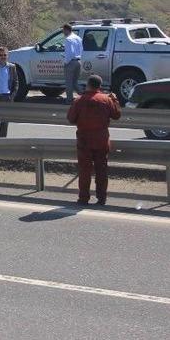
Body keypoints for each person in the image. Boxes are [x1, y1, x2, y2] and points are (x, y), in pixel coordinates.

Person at [67, 75, 121, 206]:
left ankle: (83, 198)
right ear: (100, 86)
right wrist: (115, 100)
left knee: (84, 170)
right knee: (101, 170)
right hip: (101, 140)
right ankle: (101, 198)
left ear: (88, 85)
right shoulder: (106, 100)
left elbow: (70, 118)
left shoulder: (79, 100)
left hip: (84, 140)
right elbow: (117, 115)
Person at [63, 23, 83, 104]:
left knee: (69, 82)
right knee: (75, 82)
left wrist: (66, 62)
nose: (63, 32)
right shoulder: (78, 38)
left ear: (66, 30)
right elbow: (81, 50)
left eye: (63, 30)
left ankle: (69, 100)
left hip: (71, 62)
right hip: (78, 61)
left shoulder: (68, 39)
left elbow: (70, 53)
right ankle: (85, 96)